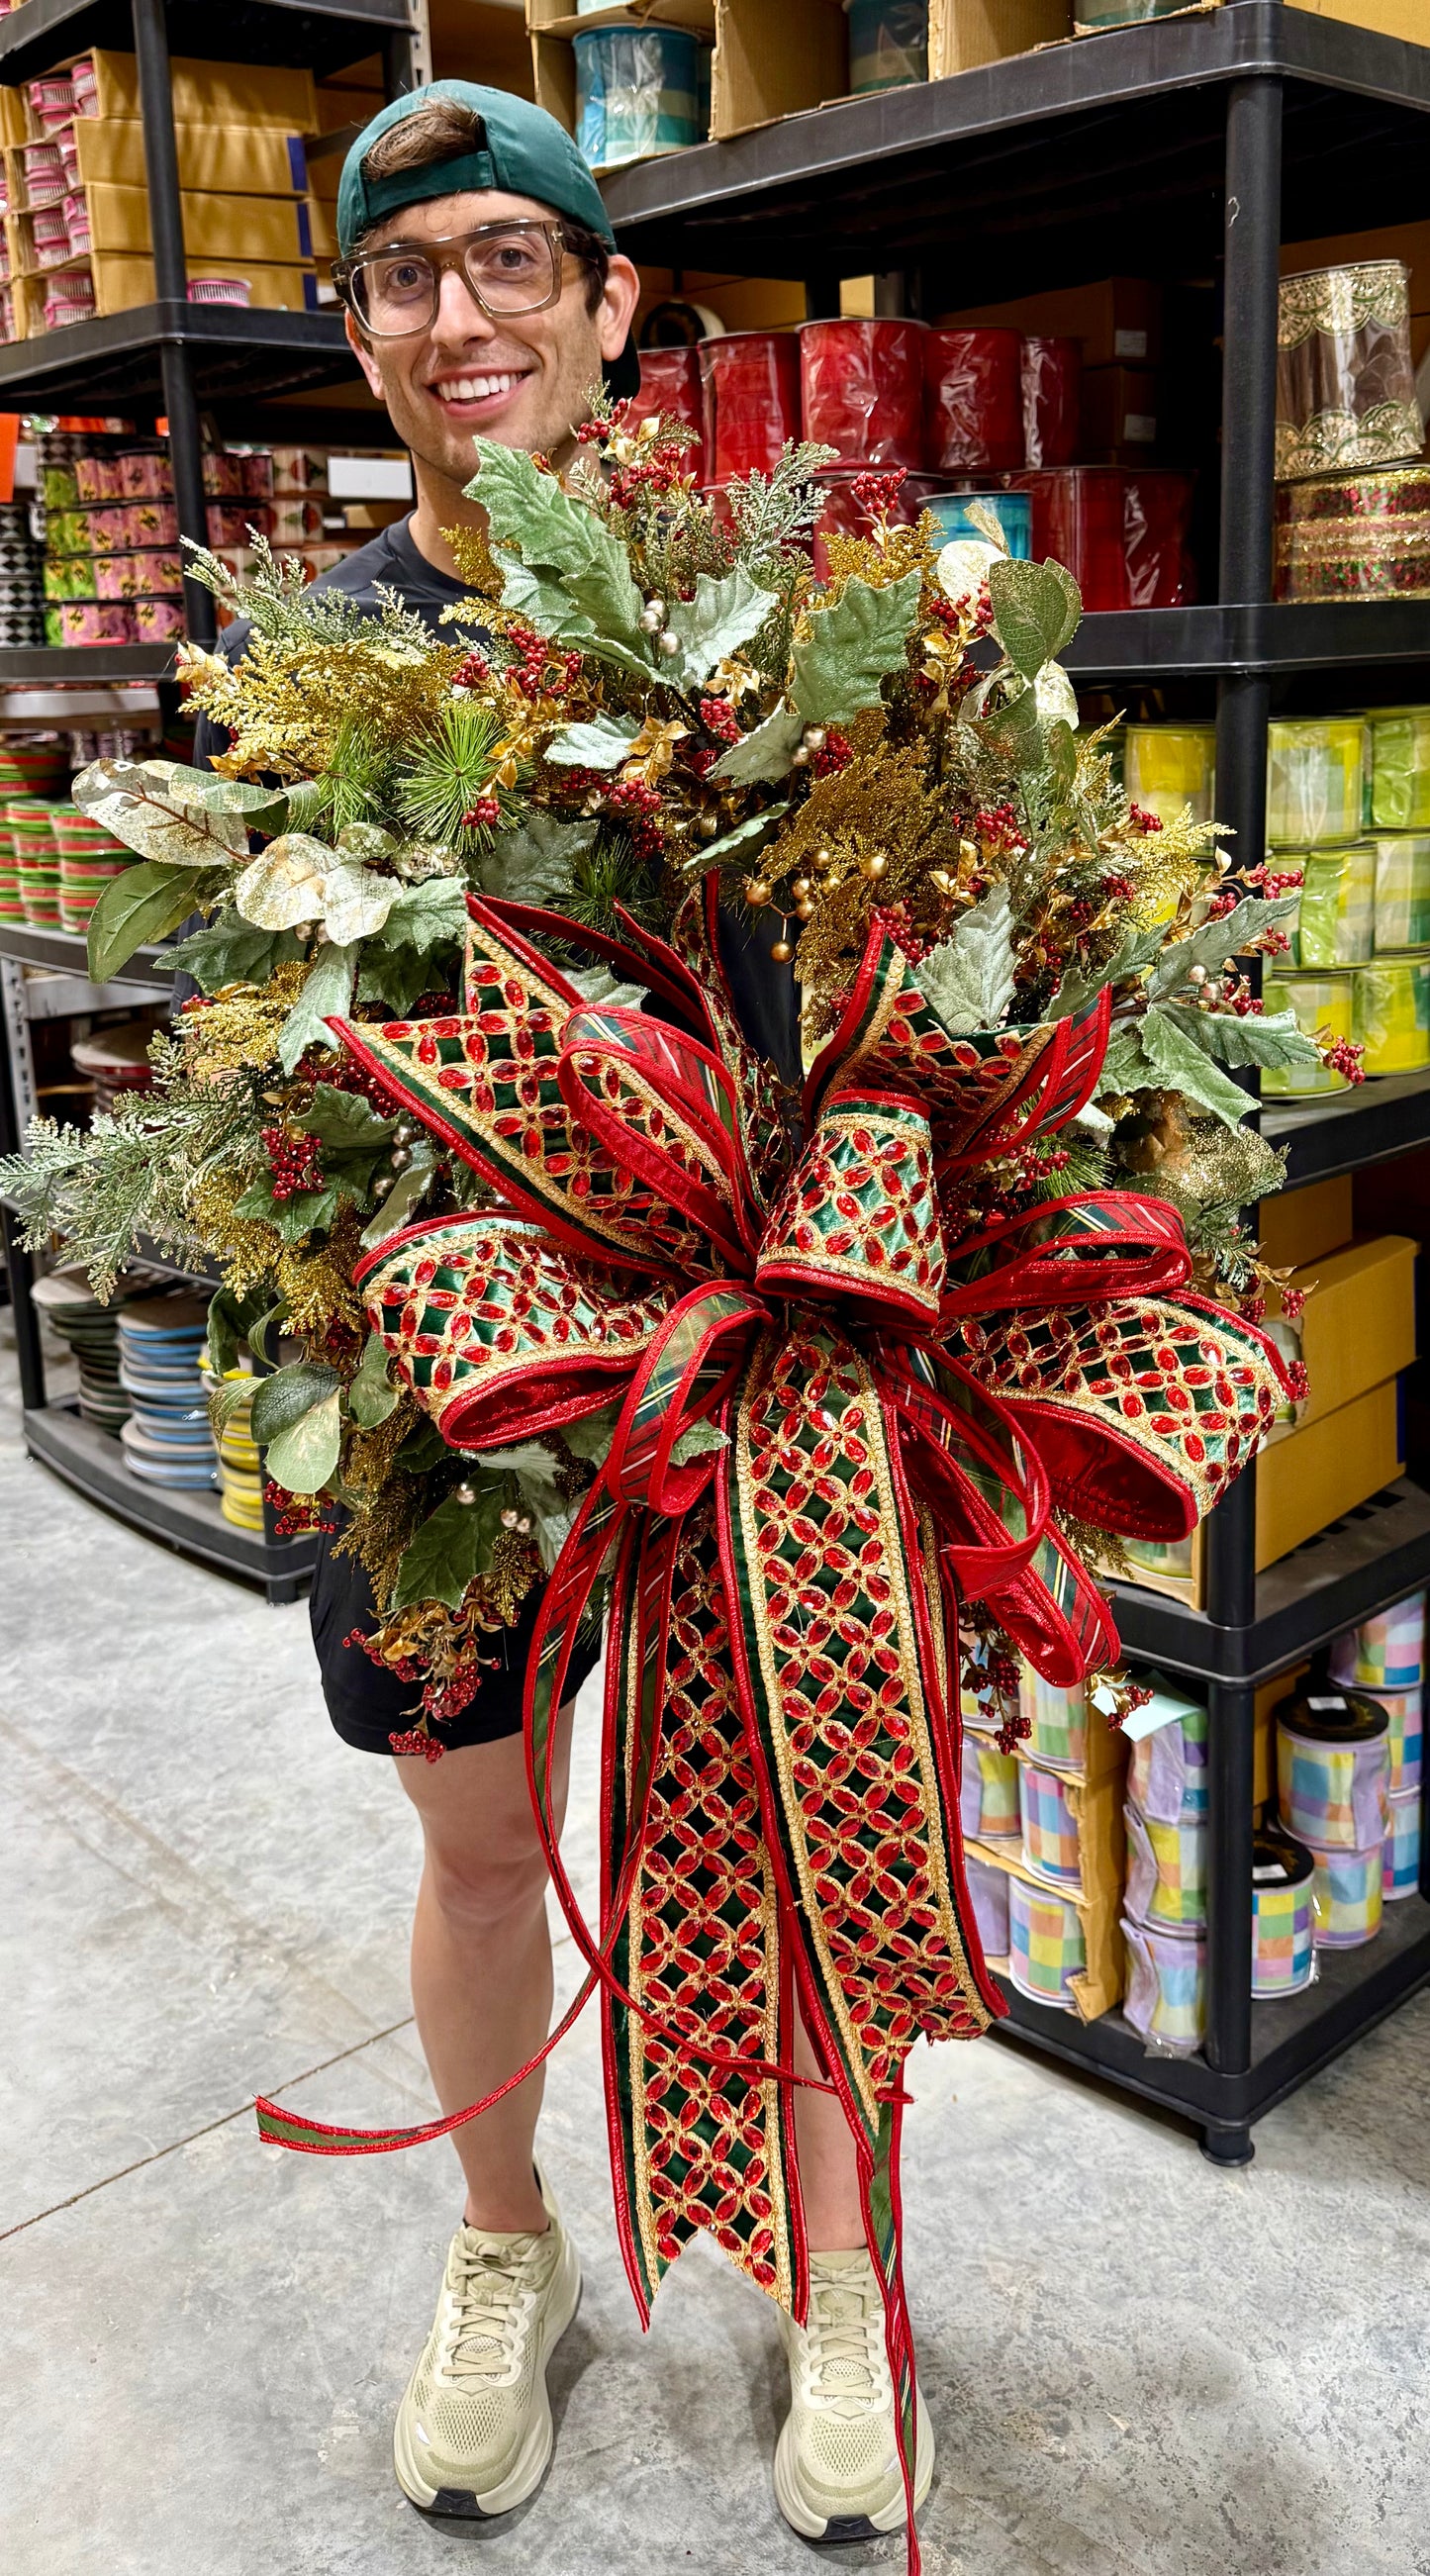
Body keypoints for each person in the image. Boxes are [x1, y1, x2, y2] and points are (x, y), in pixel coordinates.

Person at [235, 82, 934, 2547]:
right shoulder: (294, 666)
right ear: (358, 334)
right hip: (444, 1377)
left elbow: (909, 954)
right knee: (477, 1833)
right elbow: (255, 1065)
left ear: (616, 302)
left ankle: (842, 2279)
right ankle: (507, 2248)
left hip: (762, 1359)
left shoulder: (764, 591)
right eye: (406, 275)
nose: (463, 318)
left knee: (805, 1814)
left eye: (514, 261)